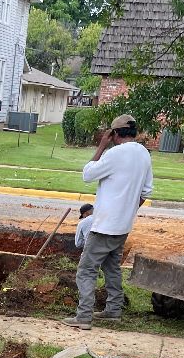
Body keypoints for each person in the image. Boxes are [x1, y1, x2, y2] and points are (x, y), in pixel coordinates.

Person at [64, 114, 153, 331]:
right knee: (112, 267)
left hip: (104, 226)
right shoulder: (143, 154)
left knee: (86, 270)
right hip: (122, 226)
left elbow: (87, 174)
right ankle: (113, 310)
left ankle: (84, 316)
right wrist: (127, 211)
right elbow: (146, 192)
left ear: (114, 134)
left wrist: (101, 146)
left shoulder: (114, 154)